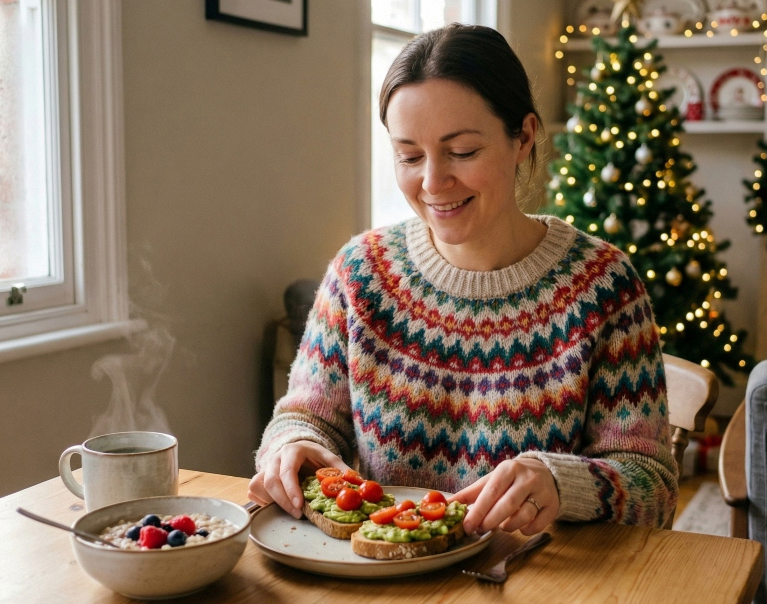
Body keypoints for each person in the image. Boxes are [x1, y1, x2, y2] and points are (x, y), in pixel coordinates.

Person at [249, 23, 677, 537]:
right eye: (409, 156)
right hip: (388, 595)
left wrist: (561, 482)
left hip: (547, 596)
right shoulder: (360, 274)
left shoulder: (603, 286)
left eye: (463, 151)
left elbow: (653, 488)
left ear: (523, 137)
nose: (432, 182)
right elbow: (304, 417)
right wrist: (293, 445)